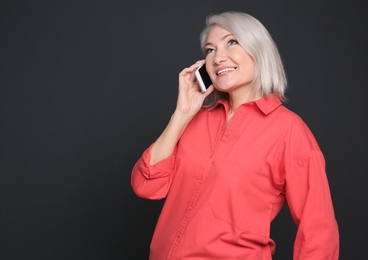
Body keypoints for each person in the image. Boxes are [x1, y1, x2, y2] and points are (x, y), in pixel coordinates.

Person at [131, 11, 339, 259]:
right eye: (209, 50)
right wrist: (182, 114)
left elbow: (318, 232)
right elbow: (147, 185)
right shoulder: (196, 121)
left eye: (231, 42)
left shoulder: (289, 131)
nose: (218, 57)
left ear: (258, 50)